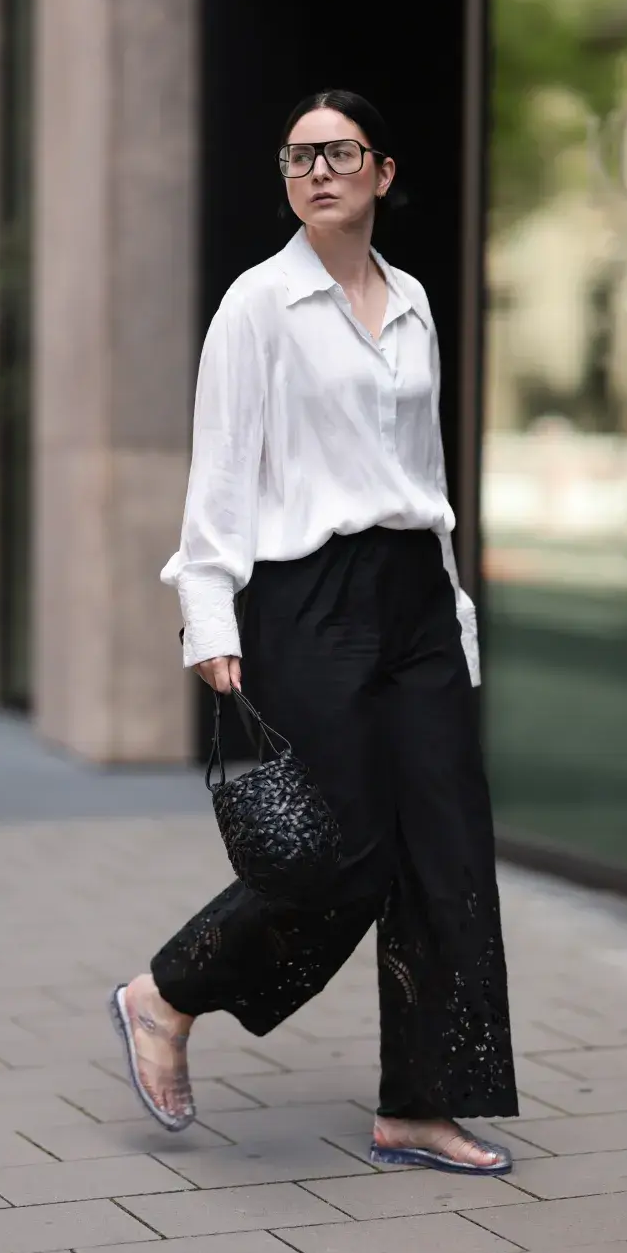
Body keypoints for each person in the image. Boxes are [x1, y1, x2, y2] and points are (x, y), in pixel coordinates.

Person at [110, 90, 519, 1174]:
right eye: (298, 156)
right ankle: (167, 991)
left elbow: (421, 477)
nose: (318, 170)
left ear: (383, 171)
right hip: (307, 594)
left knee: (446, 849)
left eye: (340, 153)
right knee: (331, 854)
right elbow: (221, 473)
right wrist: (209, 608)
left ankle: (420, 1104)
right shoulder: (259, 305)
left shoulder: (418, 301)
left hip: (415, 598)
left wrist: (454, 609)